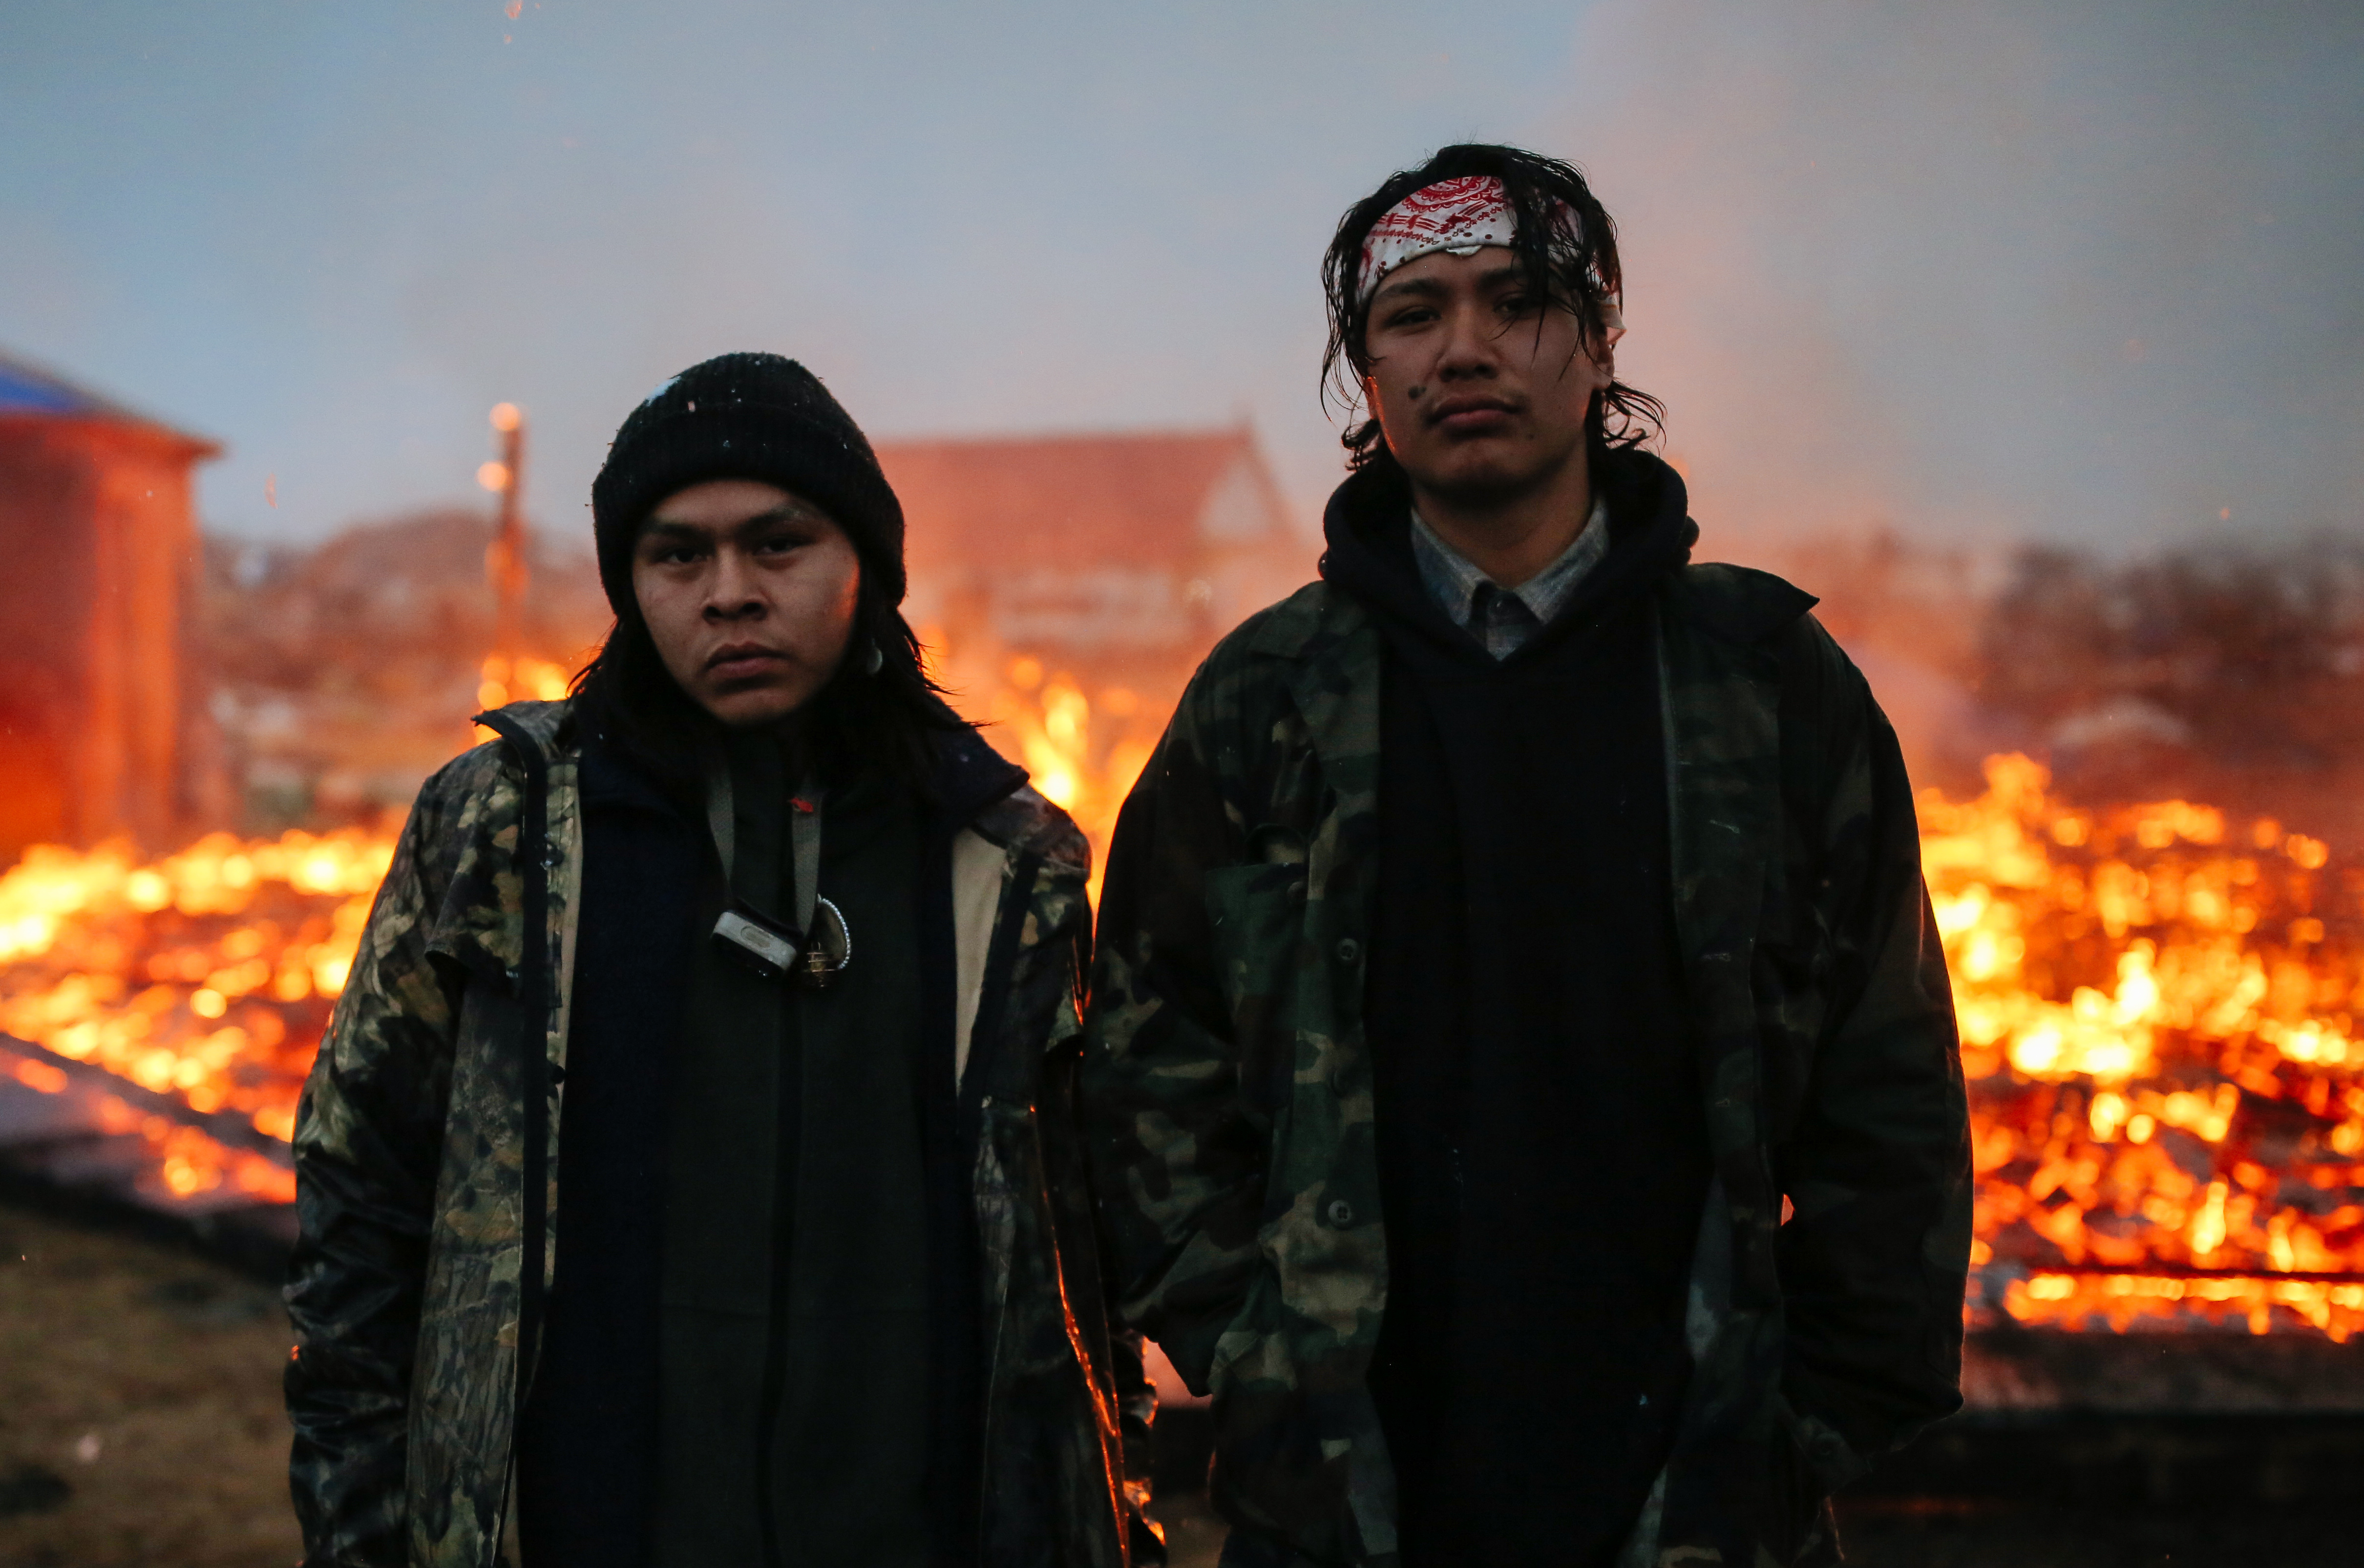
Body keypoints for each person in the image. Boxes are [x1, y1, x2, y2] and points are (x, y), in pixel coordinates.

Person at [1081, 146, 1971, 1567]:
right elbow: (1142, 1053)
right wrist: (1254, 1347)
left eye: (1515, 300)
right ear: (1363, 374)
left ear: (1598, 334)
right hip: (1353, 1494)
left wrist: (1810, 1408)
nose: (1465, 348)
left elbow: (1889, 1076)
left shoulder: (1763, 685)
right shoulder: (1264, 701)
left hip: (1693, 1481)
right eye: (1411, 314)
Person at [286, 353, 1157, 1568]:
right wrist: (362, 1515)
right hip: (589, 1524)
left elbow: (1082, 1256)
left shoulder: (1002, 866)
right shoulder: (506, 834)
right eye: (677, 554)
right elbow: (361, 1187)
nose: (728, 593)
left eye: (778, 544)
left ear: (866, 567)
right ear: (629, 587)